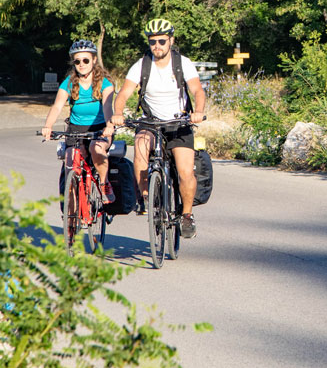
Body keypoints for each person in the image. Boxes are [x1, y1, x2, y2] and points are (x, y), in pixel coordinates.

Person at [109, 19, 205, 238]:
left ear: (171, 40)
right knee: (140, 146)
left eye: (162, 41)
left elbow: (198, 90)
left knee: (185, 171)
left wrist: (197, 111)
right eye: (153, 42)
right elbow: (123, 94)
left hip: (179, 123)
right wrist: (118, 113)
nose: (157, 46)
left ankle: (187, 215)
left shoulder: (183, 63)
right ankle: (146, 199)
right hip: (150, 122)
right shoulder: (141, 65)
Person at [41, 40, 115, 203]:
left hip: (100, 128)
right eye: (77, 61)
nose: (82, 64)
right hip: (75, 129)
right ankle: (71, 215)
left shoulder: (104, 82)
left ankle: (104, 183)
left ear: (94, 60)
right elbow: (57, 106)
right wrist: (48, 126)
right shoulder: (69, 82)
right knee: (70, 159)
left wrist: (109, 126)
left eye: (86, 60)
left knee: (96, 149)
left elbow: (108, 105)